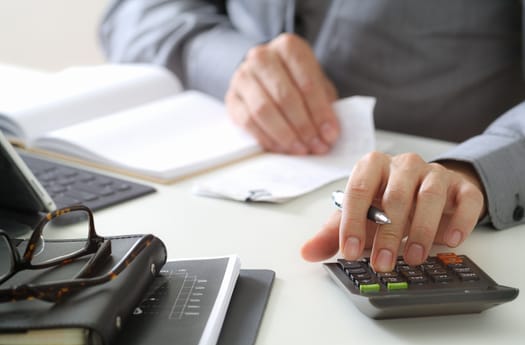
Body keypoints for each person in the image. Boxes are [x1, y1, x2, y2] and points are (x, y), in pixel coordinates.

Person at [100, 0, 525, 271]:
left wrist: (474, 169)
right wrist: (230, 60)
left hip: (446, 213)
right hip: (212, 194)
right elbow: (133, 12)